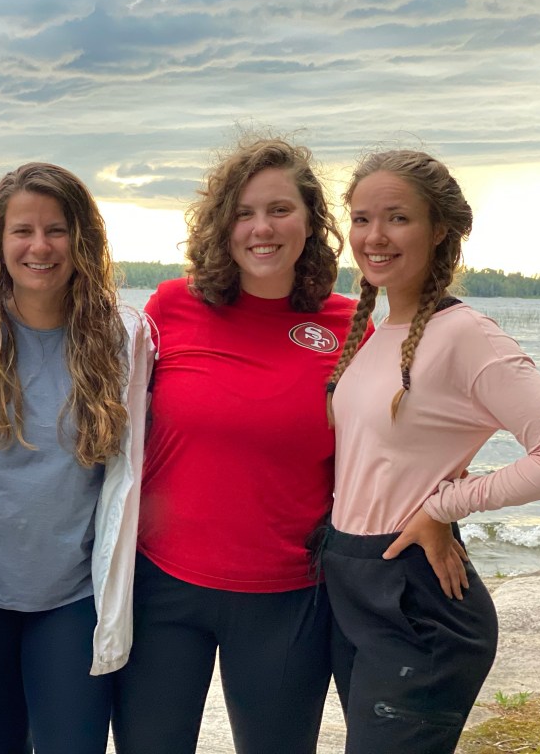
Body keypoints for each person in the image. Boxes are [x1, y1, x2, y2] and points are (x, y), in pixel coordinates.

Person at [112, 138, 360, 754]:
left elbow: (401, 439)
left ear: (311, 220)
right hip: (162, 588)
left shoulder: (352, 326)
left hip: (289, 596)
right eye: (244, 213)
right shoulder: (172, 305)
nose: (261, 228)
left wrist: (442, 507)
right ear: (223, 226)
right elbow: (108, 416)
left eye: (279, 209)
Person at [0, 162, 151, 754]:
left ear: (82, 239)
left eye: (56, 230)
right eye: (22, 230)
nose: (39, 247)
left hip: (73, 598)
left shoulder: (123, 338)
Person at [322, 150, 540, 753]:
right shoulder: (378, 334)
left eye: (397, 218)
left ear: (439, 229)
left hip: (417, 601)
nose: (374, 236)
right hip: (352, 580)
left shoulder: (466, 335)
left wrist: (443, 506)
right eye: (362, 218)